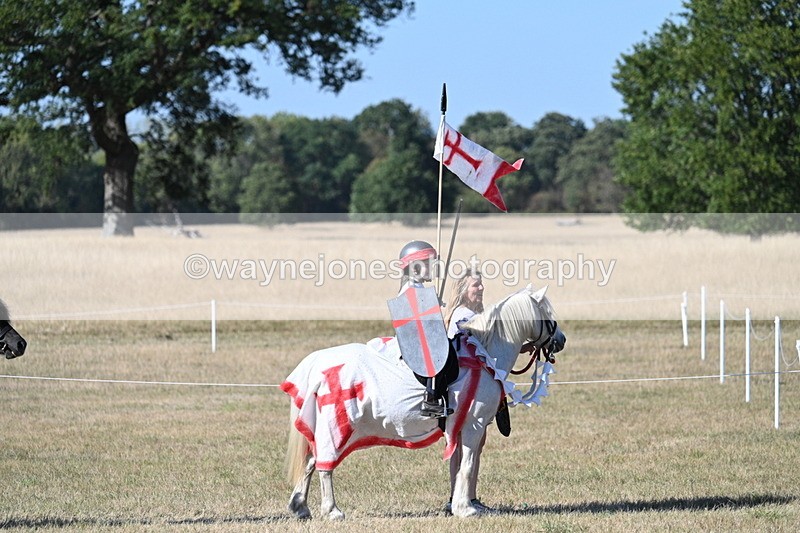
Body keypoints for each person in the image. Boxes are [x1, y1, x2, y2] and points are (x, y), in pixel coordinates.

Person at [396, 240, 456, 419]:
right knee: (435, 354)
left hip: (419, 334)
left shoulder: (418, 286)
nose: (433, 269)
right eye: (428, 264)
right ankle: (430, 399)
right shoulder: (409, 288)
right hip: (414, 339)